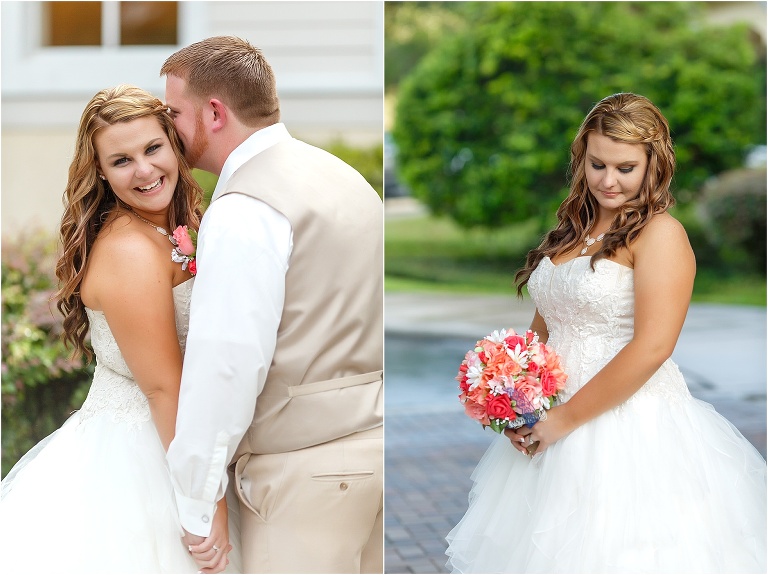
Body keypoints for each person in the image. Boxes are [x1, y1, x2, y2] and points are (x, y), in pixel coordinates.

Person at [445, 93, 766, 573]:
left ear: (653, 165)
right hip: (551, 422)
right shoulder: (573, 230)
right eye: (597, 164)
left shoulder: (660, 234)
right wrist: (514, 400)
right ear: (582, 158)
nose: (608, 180)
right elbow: (544, 330)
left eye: (625, 168)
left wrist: (565, 419)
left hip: (626, 426)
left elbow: (654, 346)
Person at [161, 36, 384, 574]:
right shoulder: (342, 177)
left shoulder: (246, 208)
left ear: (214, 112)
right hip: (375, 451)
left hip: (302, 476)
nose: (166, 126)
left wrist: (197, 499)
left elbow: (228, 363)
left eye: (173, 112)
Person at [0, 84, 241, 574]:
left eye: (153, 148)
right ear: (103, 174)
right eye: (122, 161)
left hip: (180, 439)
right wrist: (205, 502)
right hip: (141, 458)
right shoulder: (130, 250)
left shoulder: (162, 229)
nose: (146, 170)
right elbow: (162, 387)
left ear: (173, 145)